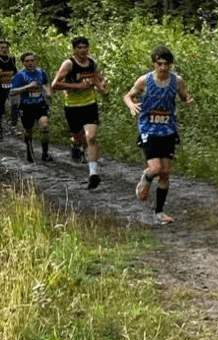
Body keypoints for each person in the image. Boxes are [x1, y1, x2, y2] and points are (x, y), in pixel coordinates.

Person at [123, 46, 195, 225]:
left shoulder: (177, 81)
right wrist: (132, 105)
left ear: (171, 64)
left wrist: (189, 101)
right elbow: (128, 96)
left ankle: (159, 212)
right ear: (154, 63)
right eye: (159, 64)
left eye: (166, 64)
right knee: (155, 169)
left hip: (168, 129)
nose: (163, 67)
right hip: (149, 128)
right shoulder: (145, 81)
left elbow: (185, 96)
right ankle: (146, 178)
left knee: (165, 172)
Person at [52, 36, 109, 188]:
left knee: (90, 137)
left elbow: (97, 78)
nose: (83, 50)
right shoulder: (69, 64)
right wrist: (78, 86)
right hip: (72, 106)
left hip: (90, 104)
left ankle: (93, 173)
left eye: (85, 47)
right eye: (79, 48)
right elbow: (55, 85)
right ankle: (75, 144)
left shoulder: (91, 62)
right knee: (78, 136)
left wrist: (101, 87)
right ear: (74, 49)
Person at [10, 52, 52, 163]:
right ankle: (29, 150)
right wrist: (27, 87)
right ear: (22, 62)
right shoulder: (20, 75)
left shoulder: (41, 72)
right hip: (26, 106)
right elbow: (12, 91)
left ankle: (45, 153)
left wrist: (48, 92)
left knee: (45, 126)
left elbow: (46, 84)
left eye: (32, 60)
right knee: (28, 131)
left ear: (35, 61)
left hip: (40, 104)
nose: (30, 63)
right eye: (27, 61)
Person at [0, 40, 17, 138]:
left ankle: (13, 126)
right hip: (0, 87)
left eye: (6, 48)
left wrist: (4, 73)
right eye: (2, 48)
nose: (4, 50)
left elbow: (15, 72)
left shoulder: (11, 59)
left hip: (11, 86)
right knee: (0, 108)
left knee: (15, 105)